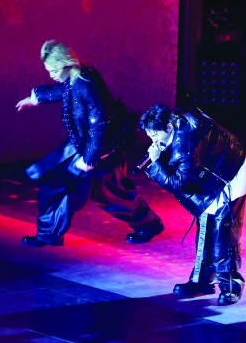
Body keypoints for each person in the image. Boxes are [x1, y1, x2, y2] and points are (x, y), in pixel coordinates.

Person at [16, 40, 163, 247]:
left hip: (103, 149)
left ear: (67, 64)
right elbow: (64, 92)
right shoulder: (75, 79)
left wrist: (90, 160)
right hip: (86, 146)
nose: (51, 75)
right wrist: (36, 97)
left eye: (53, 70)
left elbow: (99, 125)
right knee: (55, 183)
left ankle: (148, 225)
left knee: (112, 194)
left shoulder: (88, 84)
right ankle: (49, 235)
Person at [140, 103, 246, 305]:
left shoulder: (184, 145)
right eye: (150, 135)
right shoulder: (176, 121)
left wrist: (157, 164)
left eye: (155, 135)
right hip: (211, 176)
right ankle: (201, 281)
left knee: (223, 230)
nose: (153, 140)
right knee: (205, 227)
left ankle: (231, 284)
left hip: (230, 173)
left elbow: (179, 183)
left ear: (168, 127)